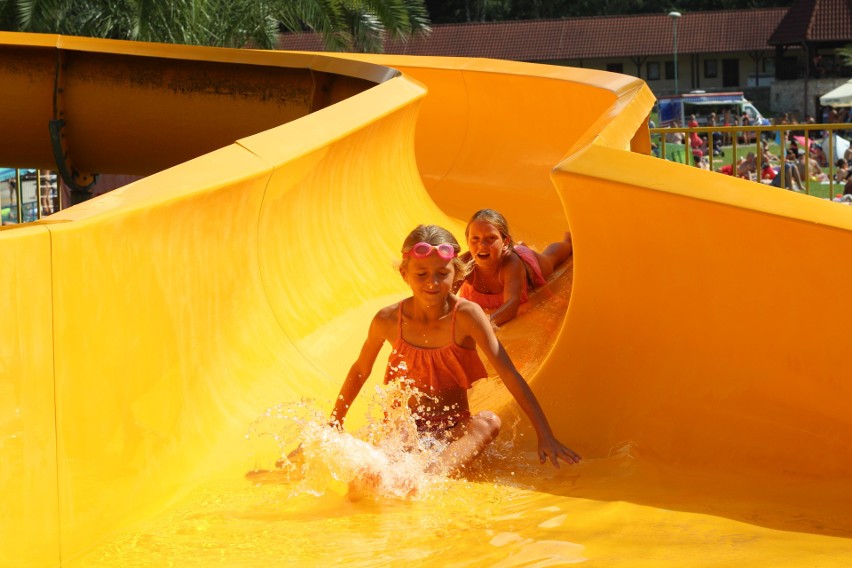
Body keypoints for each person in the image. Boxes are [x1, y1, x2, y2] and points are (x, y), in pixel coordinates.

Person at [326, 225, 581, 493]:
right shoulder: (388, 319)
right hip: (406, 424)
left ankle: (425, 480)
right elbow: (360, 370)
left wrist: (545, 434)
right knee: (386, 451)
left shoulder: (468, 316)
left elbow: (508, 373)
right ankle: (384, 476)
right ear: (404, 274)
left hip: (454, 428)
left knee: (488, 421)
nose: (432, 283)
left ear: (457, 272)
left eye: (442, 274)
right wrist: (334, 423)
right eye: (421, 274)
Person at [458, 209, 573, 327]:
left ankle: (568, 242)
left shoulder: (511, 264)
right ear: (467, 240)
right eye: (475, 238)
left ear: (505, 241)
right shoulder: (464, 264)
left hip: (525, 265)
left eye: (491, 238)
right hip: (504, 254)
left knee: (550, 259)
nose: (482, 245)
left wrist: (481, 326)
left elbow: (511, 305)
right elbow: (443, 295)